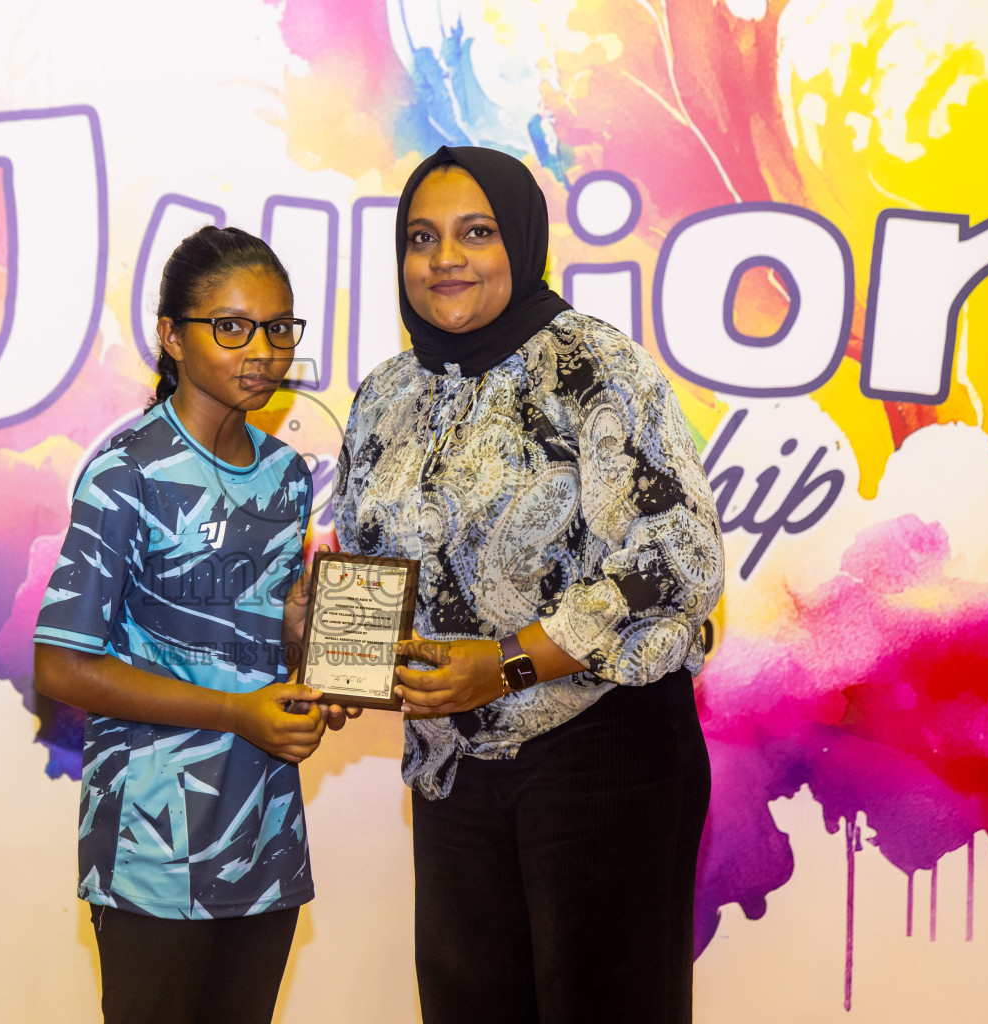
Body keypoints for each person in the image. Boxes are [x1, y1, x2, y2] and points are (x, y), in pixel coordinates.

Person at [332, 146, 724, 1023]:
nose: (445, 259)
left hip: (604, 753)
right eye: (423, 237)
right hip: (452, 766)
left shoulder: (590, 367)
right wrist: (334, 656)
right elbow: (369, 567)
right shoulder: (386, 394)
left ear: (521, 238)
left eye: (475, 232)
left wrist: (502, 665)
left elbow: (680, 558)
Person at [34, 226, 349, 1024]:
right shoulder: (127, 472)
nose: (263, 350)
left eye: (279, 329)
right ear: (173, 336)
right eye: (232, 326)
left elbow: (255, 641)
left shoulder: (286, 478)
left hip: (264, 837)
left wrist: (322, 669)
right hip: (152, 847)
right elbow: (63, 667)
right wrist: (236, 711)